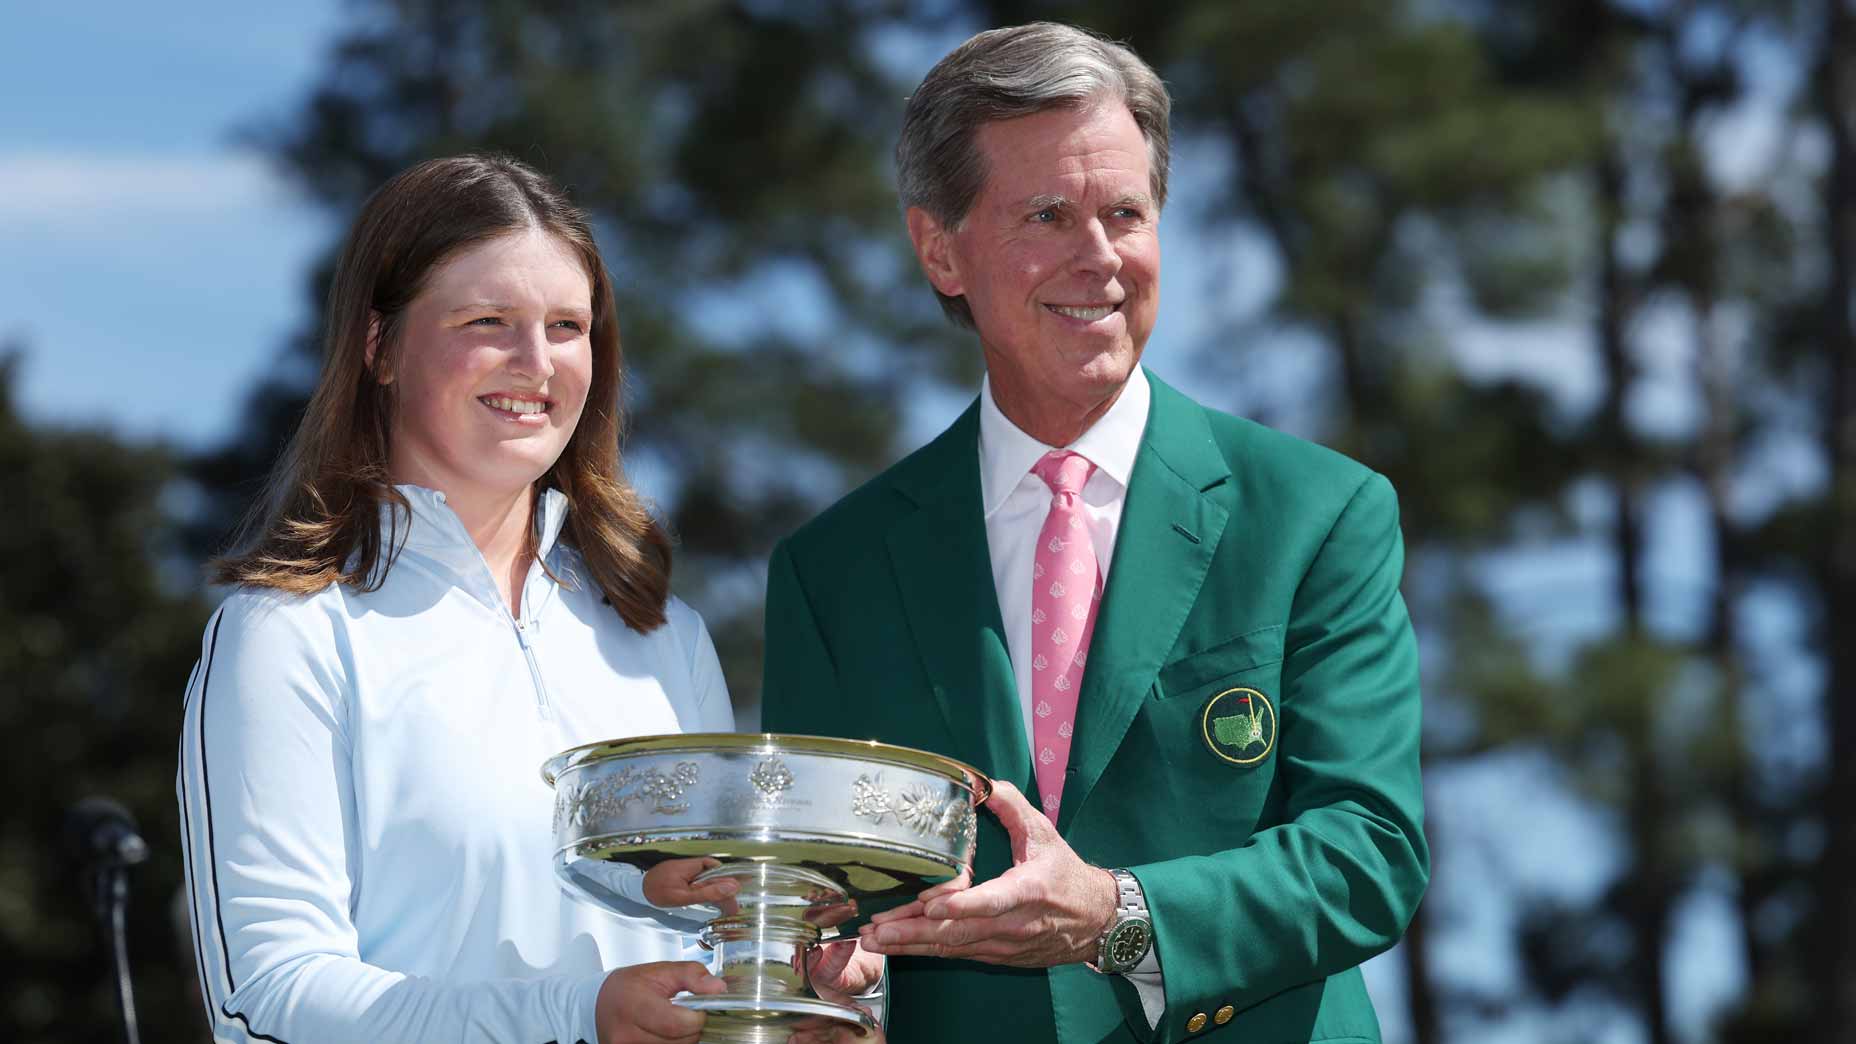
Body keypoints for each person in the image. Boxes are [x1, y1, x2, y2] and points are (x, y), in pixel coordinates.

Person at [761, 22, 1429, 1044]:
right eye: (1046, 214)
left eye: (1125, 212)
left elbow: (1368, 853)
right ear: (939, 248)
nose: (1098, 257)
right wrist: (828, 975)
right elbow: (818, 903)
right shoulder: (831, 573)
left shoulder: (1316, 513)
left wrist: (1116, 918)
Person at [175, 154, 744, 1044]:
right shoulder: (287, 634)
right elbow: (267, 998)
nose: (535, 362)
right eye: (487, 321)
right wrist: (574, 1016)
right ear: (380, 348)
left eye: (566, 325)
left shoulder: (667, 636)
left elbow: (723, 948)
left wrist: (818, 984)